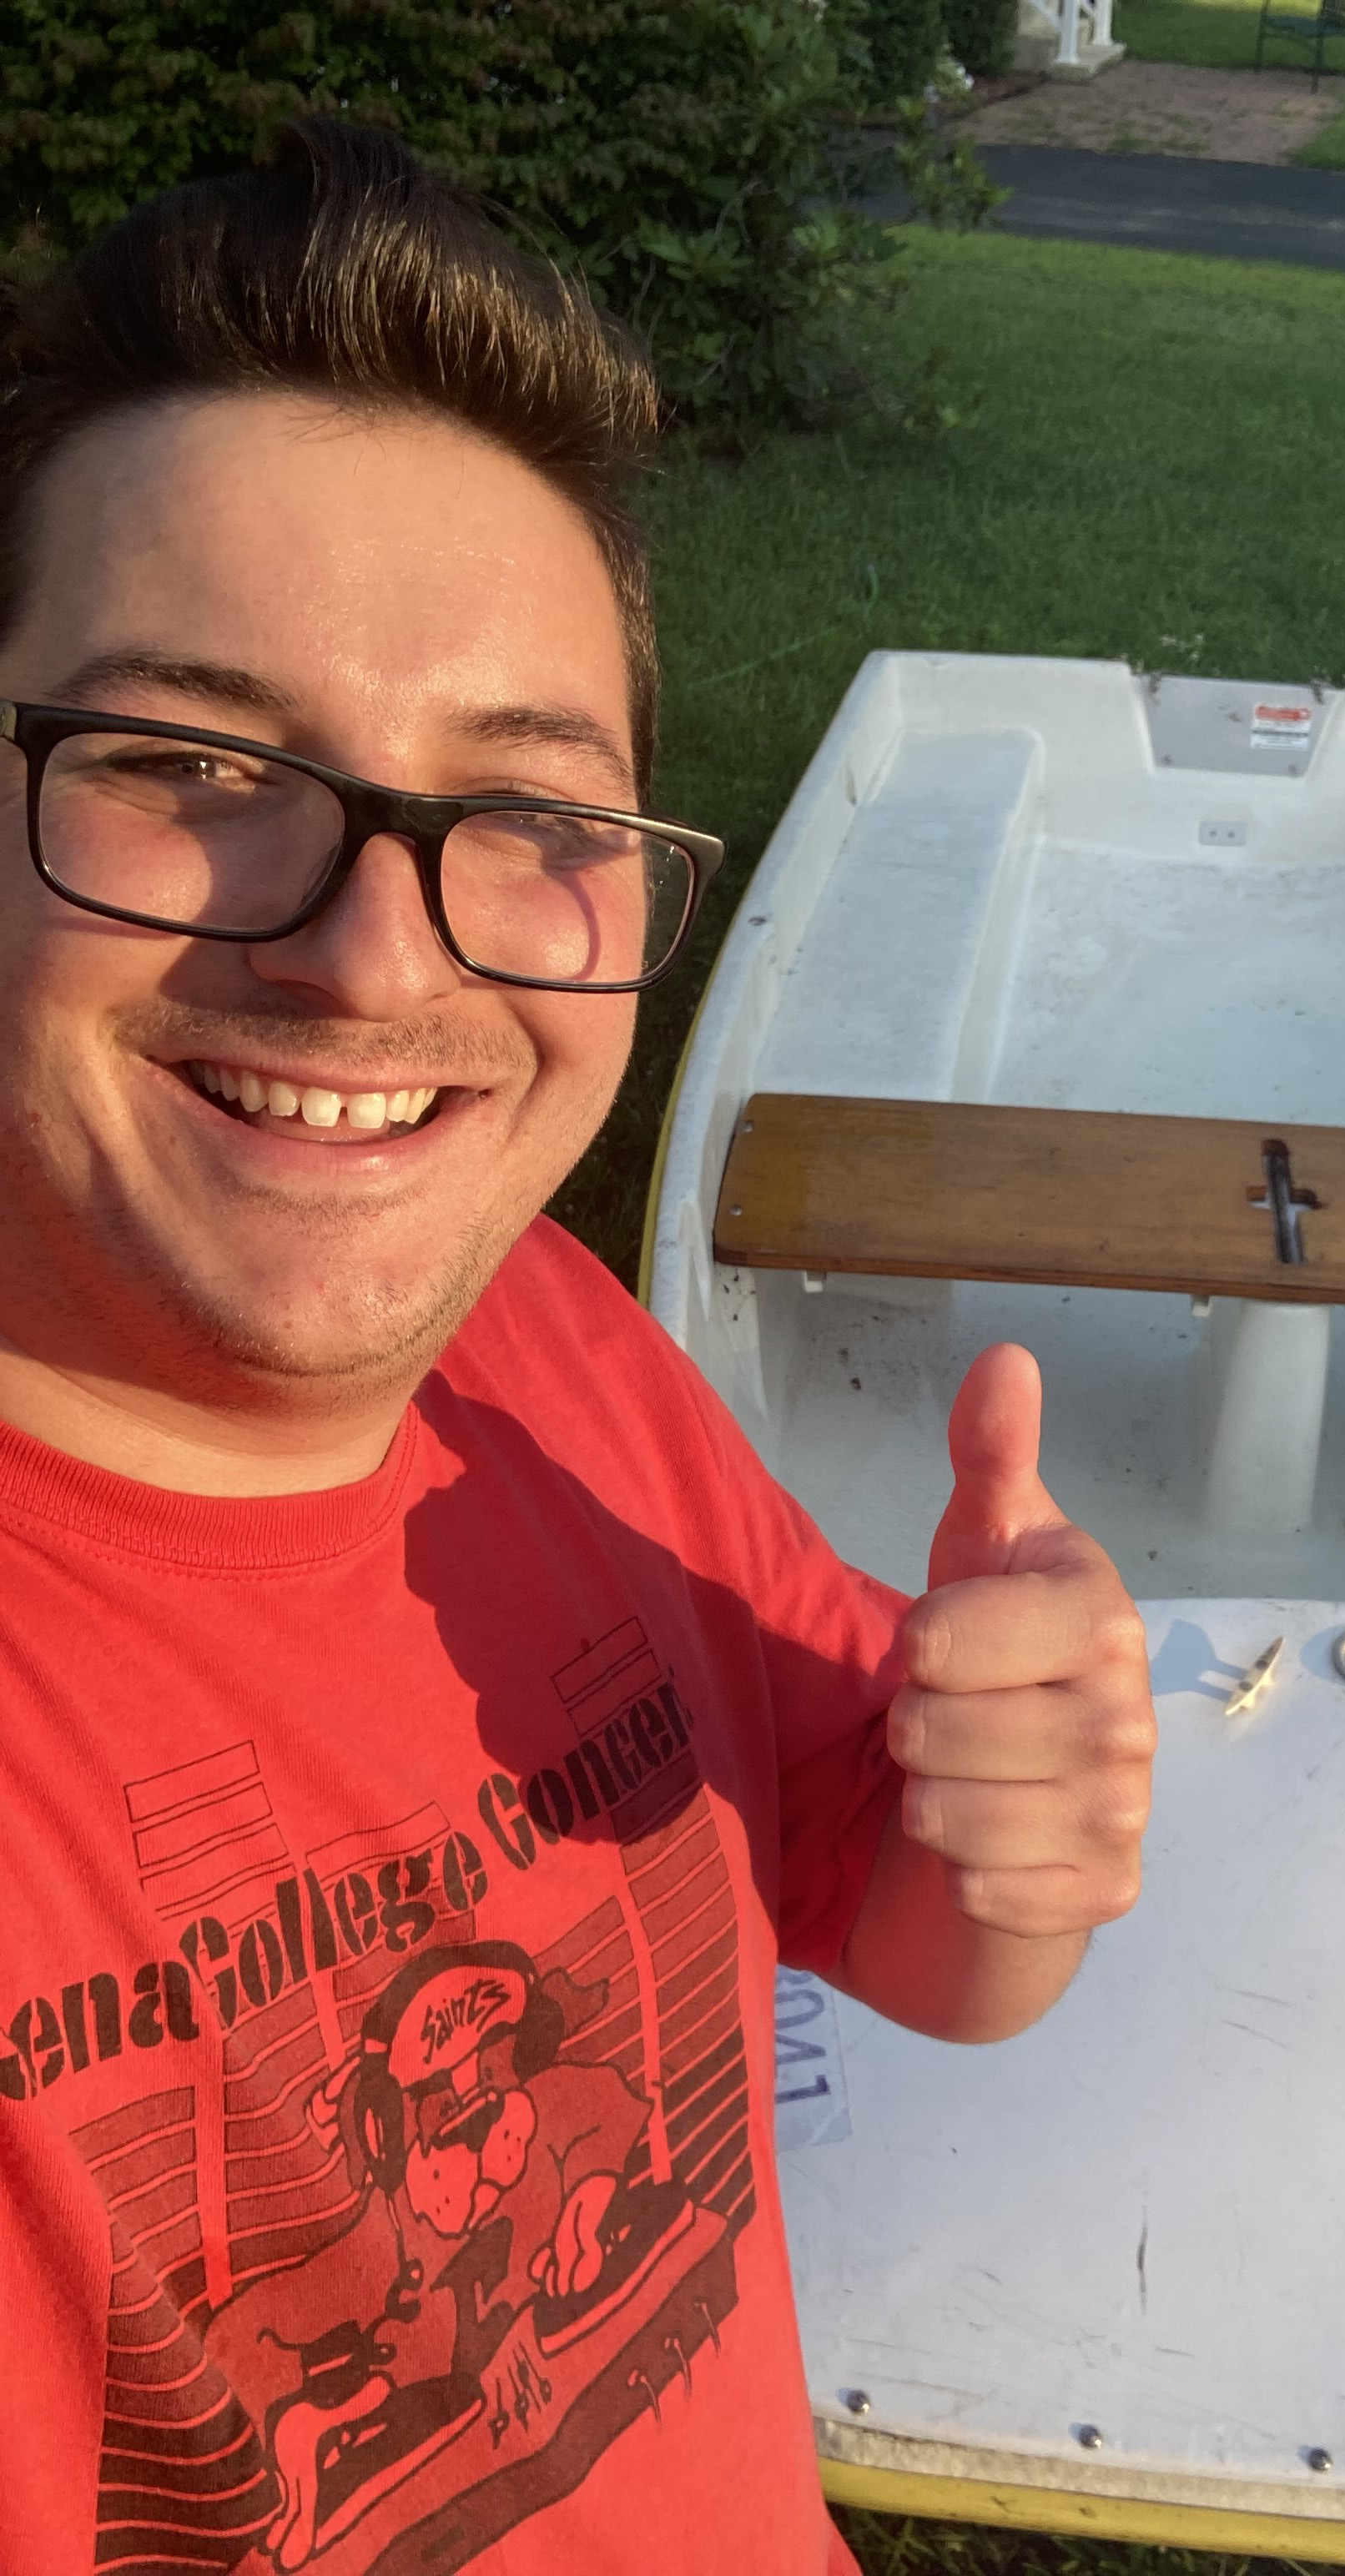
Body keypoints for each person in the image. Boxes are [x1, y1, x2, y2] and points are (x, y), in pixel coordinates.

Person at [0, 120, 1157, 2576]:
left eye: (529, 809)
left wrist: (1018, 1818)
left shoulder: (547, 1340)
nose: (378, 963)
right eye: (193, 765)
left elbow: (909, 1935)